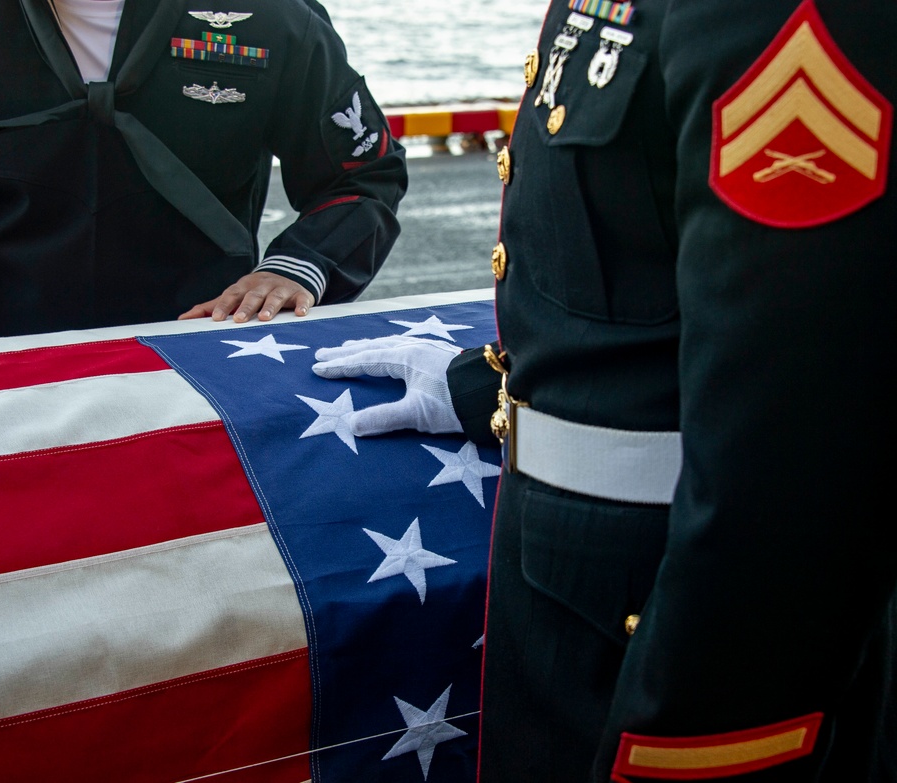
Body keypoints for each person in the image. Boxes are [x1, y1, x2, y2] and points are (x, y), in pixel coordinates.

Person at [311, 0, 896, 780]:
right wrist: (485, 381)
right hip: (569, 589)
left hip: (667, 628)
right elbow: (645, 266)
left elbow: (799, 450)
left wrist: (690, 753)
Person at [0, 0, 406, 345]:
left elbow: (362, 174)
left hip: (204, 351)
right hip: (11, 361)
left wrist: (297, 267)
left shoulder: (270, 13)